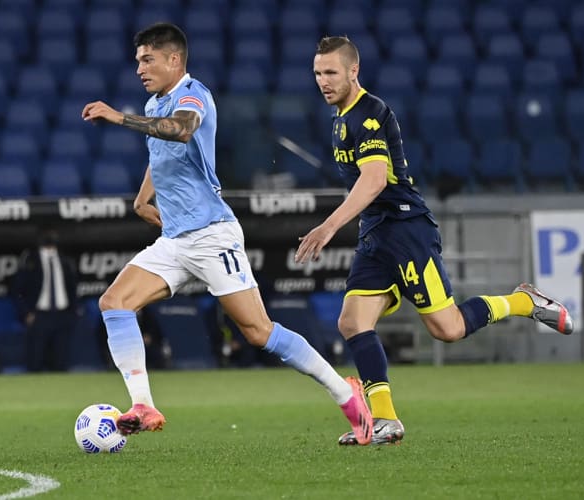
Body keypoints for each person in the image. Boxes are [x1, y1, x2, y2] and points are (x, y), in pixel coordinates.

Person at [81, 23, 372, 444]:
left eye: (147, 60)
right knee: (115, 302)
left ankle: (347, 395)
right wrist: (143, 199)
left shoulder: (192, 95)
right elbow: (161, 154)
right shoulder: (155, 101)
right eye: (138, 61)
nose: (140, 69)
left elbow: (180, 130)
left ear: (174, 59)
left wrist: (118, 117)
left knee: (259, 332)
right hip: (175, 240)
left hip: (212, 235)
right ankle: (143, 404)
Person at [296, 36, 575, 445]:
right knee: (352, 321)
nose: (323, 81)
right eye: (318, 73)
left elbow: (374, 179)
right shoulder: (340, 119)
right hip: (377, 233)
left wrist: (328, 226)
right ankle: (386, 421)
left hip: (406, 231)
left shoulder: (369, 115)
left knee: (448, 328)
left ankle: (523, 301)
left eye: (331, 72)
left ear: (354, 71)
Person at [11, 229, 79, 372]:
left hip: (62, 315)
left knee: (61, 362)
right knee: (35, 361)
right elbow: (17, 290)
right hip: (39, 316)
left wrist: (73, 312)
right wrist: (26, 313)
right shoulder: (30, 260)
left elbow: (72, 288)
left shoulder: (64, 260)